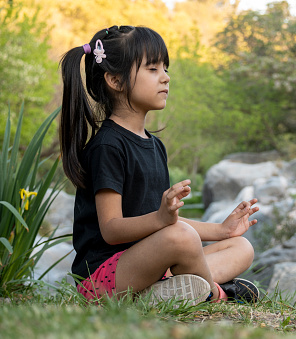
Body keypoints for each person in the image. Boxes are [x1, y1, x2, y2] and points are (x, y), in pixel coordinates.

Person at [59, 25, 259, 304]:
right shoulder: (108, 146)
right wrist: (161, 220)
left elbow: (165, 223)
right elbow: (112, 229)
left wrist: (222, 231)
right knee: (181, 238)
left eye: (165, 69)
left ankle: (161, 293)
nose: (165, 78)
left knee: (241, 246)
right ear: (115, 80)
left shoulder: (155, 146)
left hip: (149, 263)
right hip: (103, 277)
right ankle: (216, 295)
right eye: (153, 69)